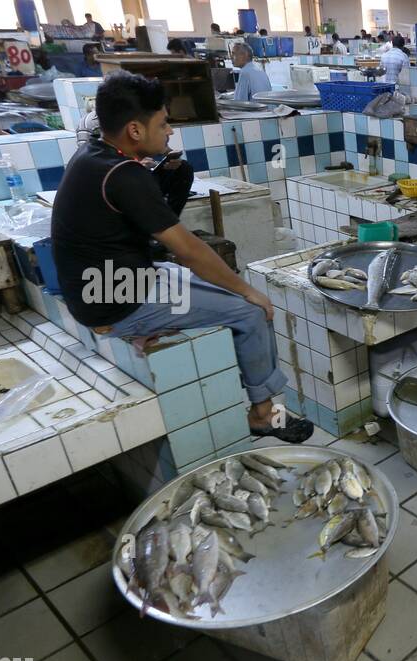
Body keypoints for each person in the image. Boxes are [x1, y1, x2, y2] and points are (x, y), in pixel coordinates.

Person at [51, 72, 312, 444]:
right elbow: (189, 250)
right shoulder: (124, 175)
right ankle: (263, 414)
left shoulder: (92, 155)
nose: (169, 131)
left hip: (101, 286)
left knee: (202, 283)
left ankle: (253, 394)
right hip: (119, 299)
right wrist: (250, 291)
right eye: (163, 122)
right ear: (135, 131)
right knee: (251, 312)